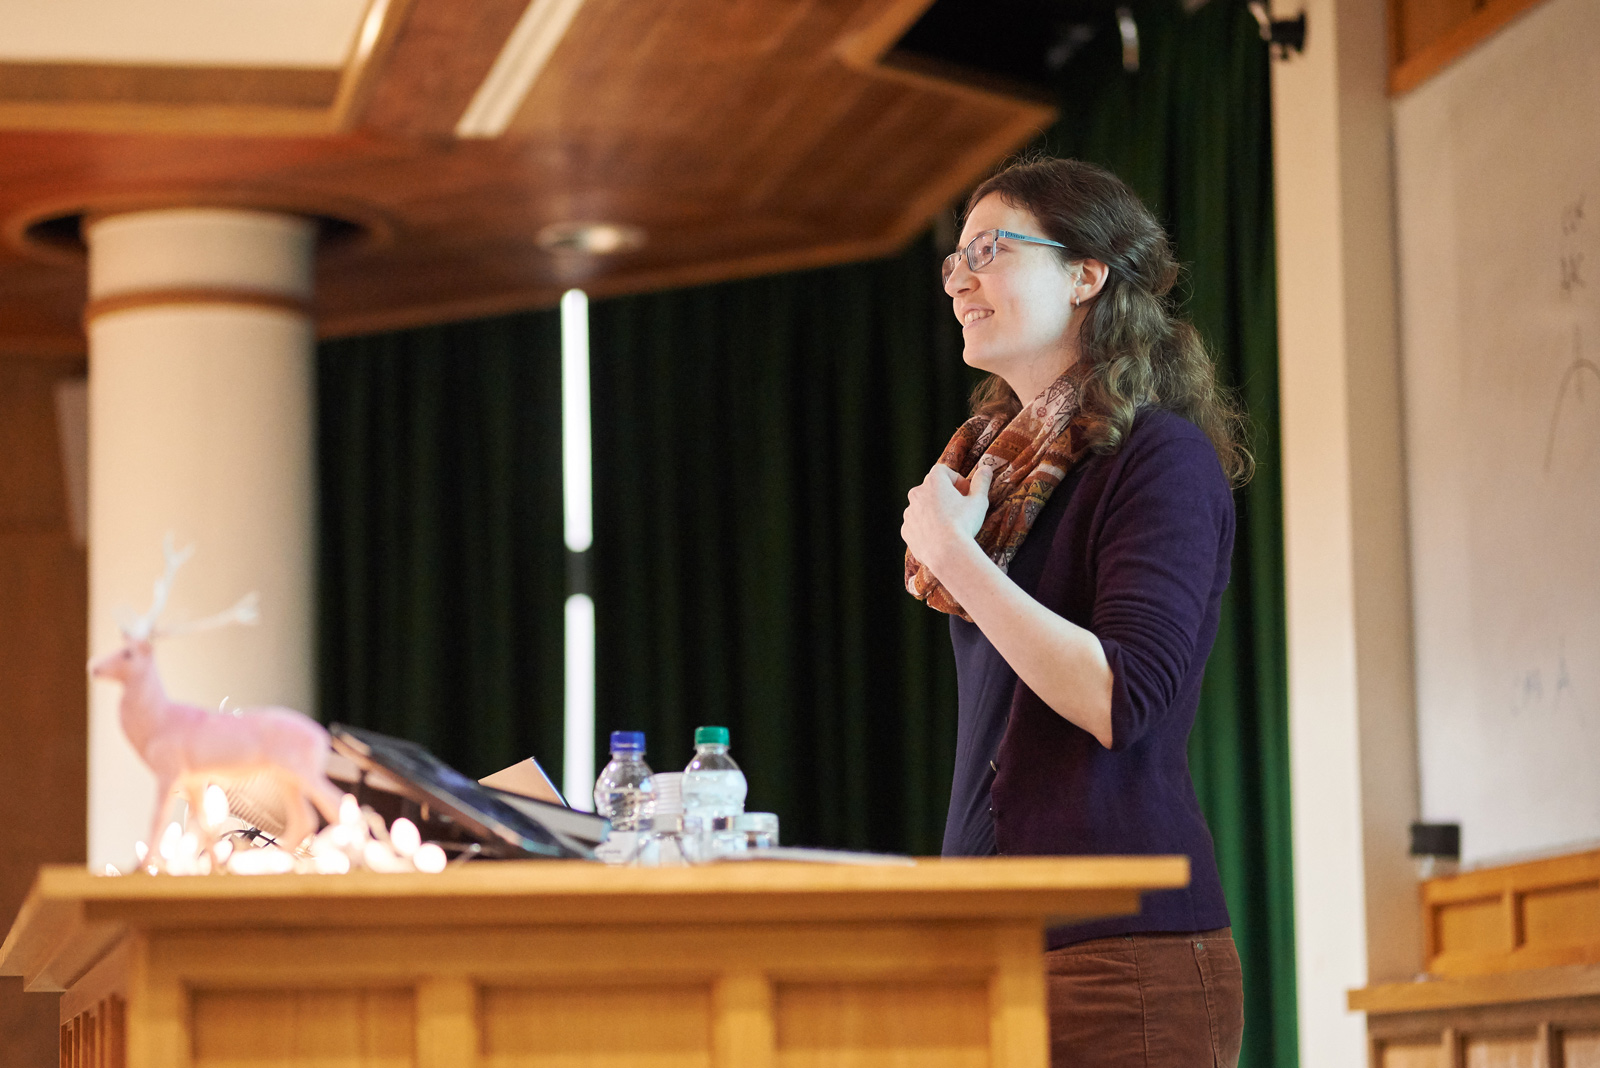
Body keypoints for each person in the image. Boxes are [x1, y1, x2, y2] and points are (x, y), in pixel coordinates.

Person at [901, 156, 1250, 1068]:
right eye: (954, 261)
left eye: (990, 250)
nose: (961, 280)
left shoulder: (1159, 459)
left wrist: (956, 558)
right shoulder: (1002, 472)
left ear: (1087, 273)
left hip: (1118, 953)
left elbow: (1117, 698)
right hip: (1000, 943)